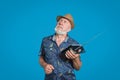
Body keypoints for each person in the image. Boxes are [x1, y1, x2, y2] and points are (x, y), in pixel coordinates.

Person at [39, 14, 83, 80]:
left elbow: (78, 68)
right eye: (60, 21)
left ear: (69, 28)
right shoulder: (46, 40)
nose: (61, 23)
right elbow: (41, 57)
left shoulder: (74, 44)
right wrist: (45, 65)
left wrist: (75, 58)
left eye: (65, 22)